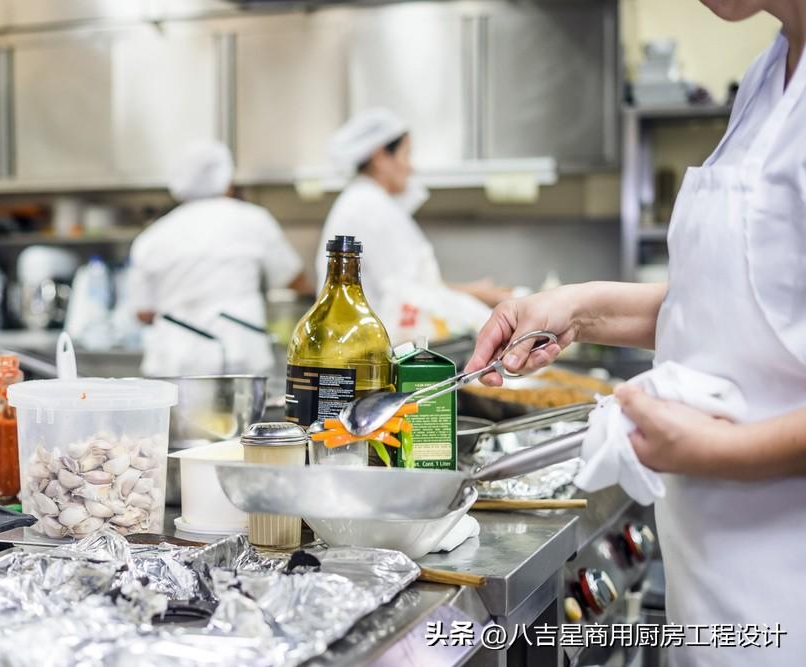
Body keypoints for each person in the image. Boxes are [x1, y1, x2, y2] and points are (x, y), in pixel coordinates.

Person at [467, 3, 806, 665]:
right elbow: (734, 307)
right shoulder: (772, 69)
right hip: (716, 585)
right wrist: (576, 309)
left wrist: (726, 452)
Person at [316, 108, 513, 343]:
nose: (411, 167)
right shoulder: (370, 207)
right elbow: (407, 295)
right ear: (380, 158)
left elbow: (410, 286)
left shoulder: (366, 202)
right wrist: (478, 298)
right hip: (369, 348)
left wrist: (472, 292)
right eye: (406, 155)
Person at [120, 140, 307, 376]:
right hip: (239, 360)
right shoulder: (253, 220)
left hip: (174, 363)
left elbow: (143, 312)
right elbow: (296, 281)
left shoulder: (152, 237)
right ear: (226, 179)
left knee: (176, 415)